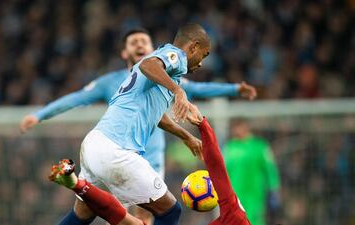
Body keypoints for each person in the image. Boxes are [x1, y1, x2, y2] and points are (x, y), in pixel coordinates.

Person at [19, 28, 256, 224]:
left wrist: (185, 135)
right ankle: (77, 185)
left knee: (82, 214)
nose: (201, 63)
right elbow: (148, 65)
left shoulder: (161, 77)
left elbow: (156, 114)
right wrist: (179, 92)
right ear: (192, 47)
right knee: (169, 211)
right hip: (117, 152)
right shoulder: (173, 56)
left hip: (95, 144)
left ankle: (77, 185)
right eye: (203, 55)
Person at [48, 113, 252, 225]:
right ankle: (77, 185)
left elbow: (218, 170)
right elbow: (218, 171)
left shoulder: (238, 217)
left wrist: (204, 126)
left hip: (106, 144)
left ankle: (77, 185)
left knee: (159, 215)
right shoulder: (237, 217)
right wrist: (204, 127)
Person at [223, 119, 281, 225]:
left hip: (255, 194)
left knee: (255, 220)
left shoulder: (260, 146)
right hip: (234, 194)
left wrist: (274, 187)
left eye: (238, 127)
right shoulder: (230, 148)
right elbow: (223, 171)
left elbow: (270, 168)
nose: (236, 131)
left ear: (246, 127)